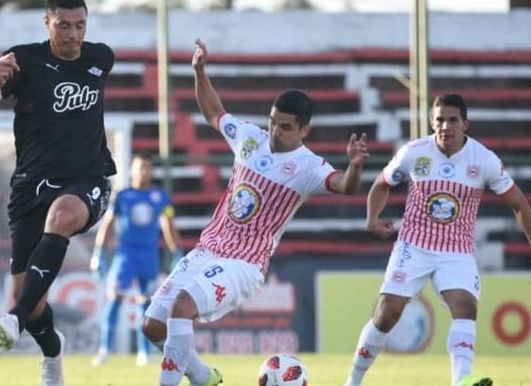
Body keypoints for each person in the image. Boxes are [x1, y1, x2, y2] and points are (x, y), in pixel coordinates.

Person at [141, 38, 370, 386]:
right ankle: (202, 376)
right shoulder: (250, 138)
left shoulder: (309, 166)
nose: (276, 131)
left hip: (244, 264)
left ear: (304, 130)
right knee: (152, 325)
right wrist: (200, 72)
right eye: (273, 122)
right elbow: (213, 112)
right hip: (207, 250)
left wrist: (354, 167)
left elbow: (346, 186)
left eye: (286, 126)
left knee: (182, 307)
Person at [0, 0, 116, 386]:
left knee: (63, 216)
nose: (73, 34)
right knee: (33, 303)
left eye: (80, 25)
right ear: (47, 23)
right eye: (64, 25)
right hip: (30, 186)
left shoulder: (101, 57)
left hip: (88, 180)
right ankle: (52, 351)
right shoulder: (23, 59)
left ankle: (14, 319)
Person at [343, 93, 531, 386]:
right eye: (439, 120)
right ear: (432, 122)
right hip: (414, 245)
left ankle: (461, 381)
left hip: (456, 250)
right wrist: (372, 218)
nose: (445, 126)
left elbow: (519, 204)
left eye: (452, 119)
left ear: (465, 123)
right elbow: (381, 184)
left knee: (466, 307)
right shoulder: (414, 152)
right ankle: (352, 382)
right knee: (386, 315)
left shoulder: (484, 160)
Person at [90, 152, 183, 367]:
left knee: (146, 304)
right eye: (140, 167)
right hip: (126, 256)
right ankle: (105, 349)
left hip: (148, 256)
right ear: (132, 170)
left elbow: (168, 225)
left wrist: (176, 252)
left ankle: (144, 352)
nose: (144, 172)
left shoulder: (160, 197)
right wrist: (99, 253)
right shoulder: (123, 196)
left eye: (148, 168)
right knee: (115, 298)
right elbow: (108, 224)